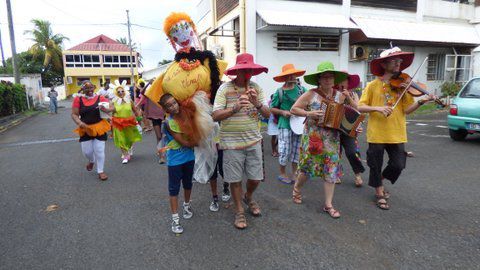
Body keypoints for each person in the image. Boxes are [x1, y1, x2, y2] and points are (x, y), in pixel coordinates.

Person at [358, 47, 435, 210]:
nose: (398, 64)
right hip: (377, 133)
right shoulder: (372, 85)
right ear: (384, 64)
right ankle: (379, 193)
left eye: (400, 61)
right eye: (394, 61)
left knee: (398, 165)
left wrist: (422, 101)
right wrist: (378, 108)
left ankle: (378, 179)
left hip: (397, 133)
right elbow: (360, 107)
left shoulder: (403, 86)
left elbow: (407, 110)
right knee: (375, 164)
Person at [212, 53, 270, 229]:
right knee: (235, 180)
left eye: (250, 70)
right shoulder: (225, 89)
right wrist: (235, 108)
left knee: (255, 178)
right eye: (244, 70)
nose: (247, 74)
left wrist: (257, 103)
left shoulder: (256, 88)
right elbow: (215, 115)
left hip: (253, 141)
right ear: (237, 71)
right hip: (231, 143)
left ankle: (249, 196)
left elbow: (267, 114)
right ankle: (239, 211)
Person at [290, 61, 348, 219]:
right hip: (314, 138)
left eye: (331, 77)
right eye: (324, 77)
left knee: (331, 169)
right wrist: (309, 114)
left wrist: (354, 128)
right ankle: (297, 188)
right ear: (319, 79)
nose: (328, 80)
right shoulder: (310, 94)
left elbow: (346, 116)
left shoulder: (340, 96)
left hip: (332, 139)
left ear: (335, 79)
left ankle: (328, 204)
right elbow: (293, 109)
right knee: (307, 168)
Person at [159, 93, 197, 234]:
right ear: (165, 109)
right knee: (174, 189)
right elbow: (184, 142)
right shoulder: (168, 123)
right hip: (175, 161)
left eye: (174, 103)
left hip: (189, 158)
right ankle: (175, 219)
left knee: (188, 184)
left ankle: (186, 205)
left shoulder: (186, 116)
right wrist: (200, 141)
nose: (173, 106)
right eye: (169, 105)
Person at [270, 64, 307, 185]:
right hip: (284, 123)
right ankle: (282, 173)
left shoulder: (302, 90)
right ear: (284, 77)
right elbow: (272, 108)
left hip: (299, 124)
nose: (292, 77)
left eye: (293, 74)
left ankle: (294, 173)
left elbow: (310, 102)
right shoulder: (279, 92)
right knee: (285, 149)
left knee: (297, 150)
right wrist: (282, 112)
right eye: (288, 75)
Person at [71, 81, 111, 181]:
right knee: (87, 152)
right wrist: (79, 123)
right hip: (85, 128)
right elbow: (74, 114)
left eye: (91, 88)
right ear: (82, 90)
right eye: (87, 89)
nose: (90, 91)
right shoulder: (78, 99)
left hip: (99, 127)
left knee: (99, 150)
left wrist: (106, 110)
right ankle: (91, 160)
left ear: (94, 87)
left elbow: (111, 108)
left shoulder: (100, 97)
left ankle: (100, 171)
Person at [100, 80, 142, 164]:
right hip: (118, 123)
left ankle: (129, 148)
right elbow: (110, 110)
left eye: (122, 91)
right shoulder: (113, 102)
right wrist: (104, 109)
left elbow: (135, 110)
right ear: (115, 93)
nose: (120, 93)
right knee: (121, 139)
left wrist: (139, 119)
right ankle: (125, 155)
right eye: (118, 91)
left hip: (129, 122)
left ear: (125, 91)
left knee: (129, 139)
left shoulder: (129, 101)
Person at [334, 74, 365, 187]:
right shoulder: (333, 94)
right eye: (340, 81)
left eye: (344, 81)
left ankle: (357, 175)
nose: (342, 83)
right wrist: (340, 99)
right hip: (335, 129)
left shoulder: (353, 94)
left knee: (352, 152)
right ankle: (336, 174)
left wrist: (348, 97)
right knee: (336, 153)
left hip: (349, 129)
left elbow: (358, 109)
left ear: (348, 83)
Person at [135, 78, 167, 164]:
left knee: (164, 136)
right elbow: (142, 93)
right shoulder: (150, 91)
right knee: (159, 136)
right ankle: (161, 156)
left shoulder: (162, 90)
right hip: (154, 116)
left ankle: (161, 149)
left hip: (164, 115)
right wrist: (149, 83)